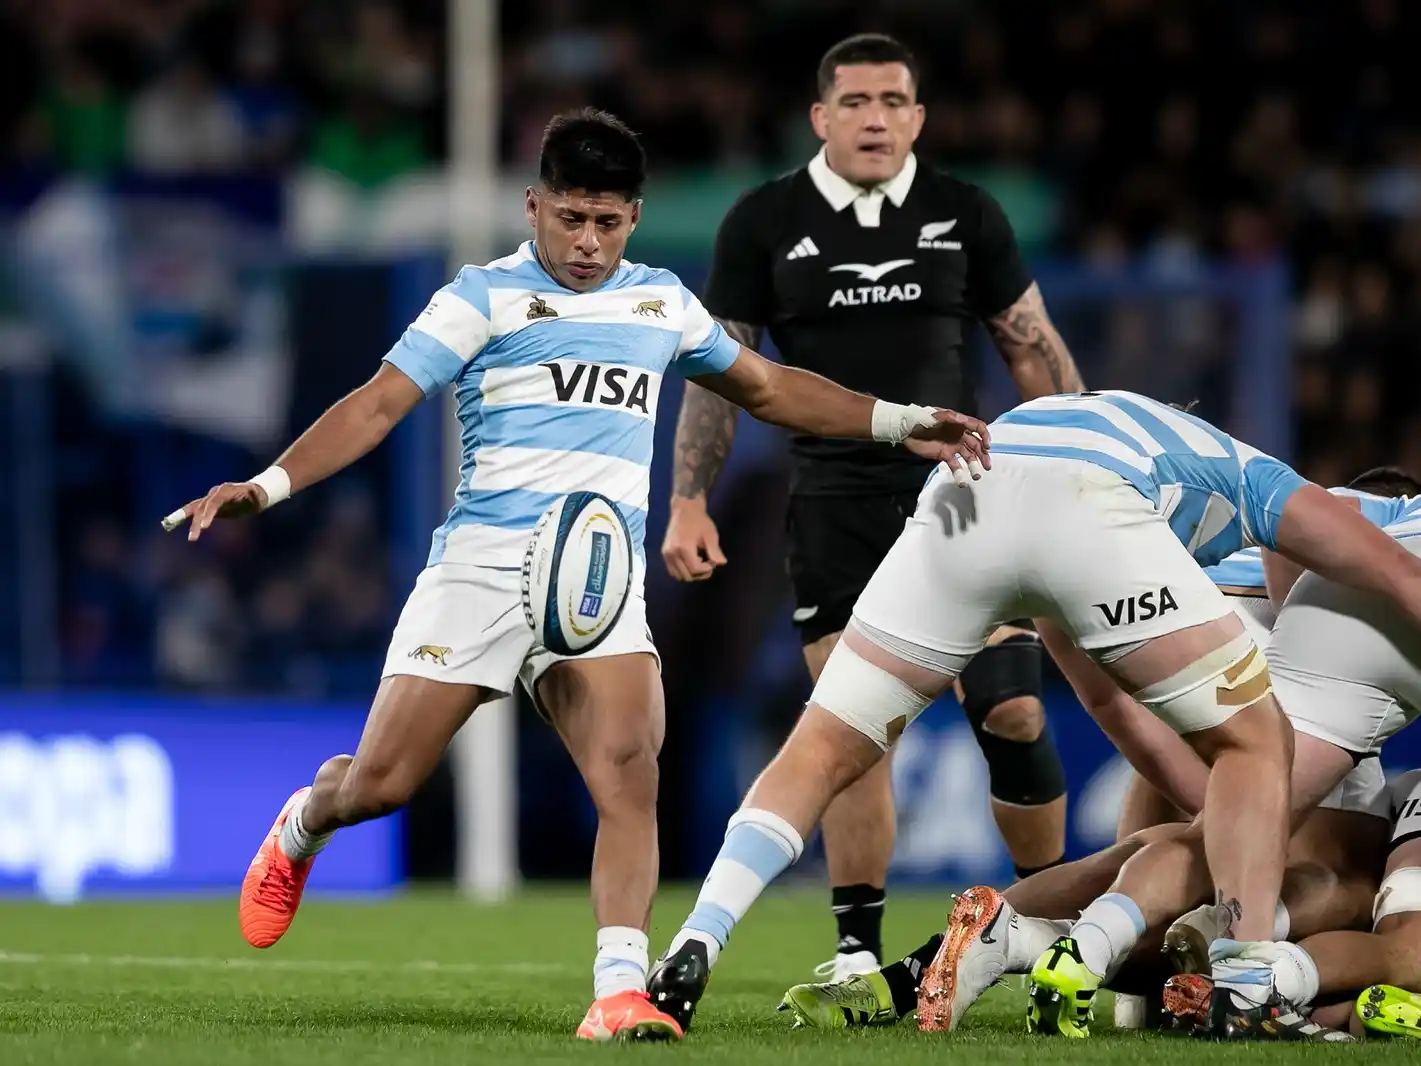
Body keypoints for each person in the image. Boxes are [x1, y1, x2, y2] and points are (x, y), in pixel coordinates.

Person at [163, 108, 990, 1044]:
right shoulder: (480, 297)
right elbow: (379, 403)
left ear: (633, 217)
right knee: (383, 786)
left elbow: (765, 387)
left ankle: (617, 992)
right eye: (569, 218)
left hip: (597, 577)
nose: (587, 241)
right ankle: (306, 820)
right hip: (479, 571)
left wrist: (895, 420)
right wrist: (266, 485)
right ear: (533, 207)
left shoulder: (661, 304)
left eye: (606, 221)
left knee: (629, 775)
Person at [645, 389, 1421, 1037]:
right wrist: (1237, 792)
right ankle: (1221, 982)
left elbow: (1105, 700)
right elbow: (1364, 550)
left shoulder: (1140, 457)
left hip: (968, 482)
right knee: (1262, 779)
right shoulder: (1246, 479)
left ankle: (693, 942)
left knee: (818, 748)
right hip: (1102, 521)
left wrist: (1215, 802)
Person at [662, 31, 1082, 981]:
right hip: (835, 510)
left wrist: (1085, 464)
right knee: (854, 737)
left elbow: (1031, 348)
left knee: (1013, 714)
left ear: (919, 117)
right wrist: (690, 499)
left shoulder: (964, 213)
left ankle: (1052, 931)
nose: (875, 119)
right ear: (820, 117)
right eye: (854, 103)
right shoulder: (762, 222)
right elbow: (717, 372)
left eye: (894, 101)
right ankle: (856, 953)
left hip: (964, 505)